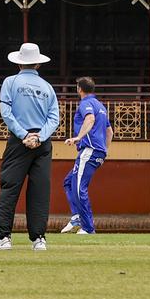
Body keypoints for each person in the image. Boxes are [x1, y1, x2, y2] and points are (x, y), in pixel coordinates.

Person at [0, 42, 60, 252]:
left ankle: (2, 237)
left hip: (19, 140)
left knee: (10, 187)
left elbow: (6, 112)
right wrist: (39, 137)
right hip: (43, 143)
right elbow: (55, 118)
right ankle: (39, 238)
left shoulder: (10, 82)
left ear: (19, 63)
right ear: (38, 64)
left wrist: (24, 135)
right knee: (40, 190)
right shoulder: (47, 87)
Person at [61, 76, 112, 235]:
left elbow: (89, 119)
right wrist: (105, 151)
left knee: (78, 188)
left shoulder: (85, 103)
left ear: (79, 89)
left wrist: (78, 137)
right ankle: (77, 217)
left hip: (89, 150)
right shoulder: (100, 105)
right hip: (98, 151)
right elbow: (110, 132)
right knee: (69, 182)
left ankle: (88, 227)